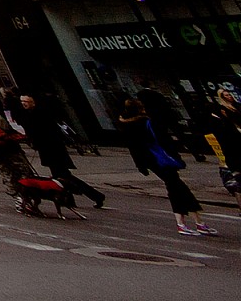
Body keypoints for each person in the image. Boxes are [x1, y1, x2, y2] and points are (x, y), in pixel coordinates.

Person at [120, 94, 212, 236]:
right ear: (140, 109)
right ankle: (191, 223)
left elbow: (133, 147)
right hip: (161, 157)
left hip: (150, 160)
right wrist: (177, 157)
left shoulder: (126, 125)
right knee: (177, 187)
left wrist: (140, 165)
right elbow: (164, 141)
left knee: (176, 187)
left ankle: (192, 222)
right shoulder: (148, 122)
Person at [16, 91, 103, 208]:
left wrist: (36, 141)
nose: (23, 104)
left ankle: (95, 195)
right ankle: (70, 200)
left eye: (26, 101)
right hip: (48, 149)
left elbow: (45, 132)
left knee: (63, 177)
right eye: (22, 101)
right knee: (60, 177)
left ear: (33, 102)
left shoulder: (40, 114)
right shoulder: (30, 114)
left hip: (53, 149)